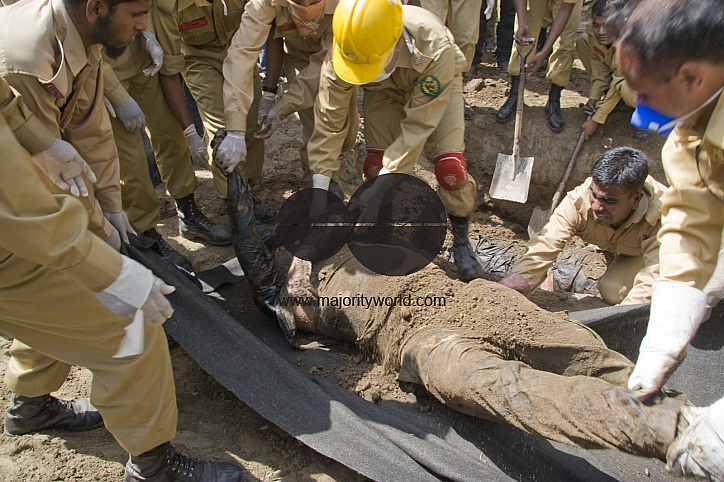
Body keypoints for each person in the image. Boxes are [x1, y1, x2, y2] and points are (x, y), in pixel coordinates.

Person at [0, 47, 244, 482]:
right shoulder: (27, 53)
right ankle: (153, 467)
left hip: (17, 240)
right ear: (96, 7)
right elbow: (33, 214)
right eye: (135, 13)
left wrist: (109, 207)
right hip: (14, 239)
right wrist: (113, 269)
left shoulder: (80, 44)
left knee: (59, 298)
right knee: (131, 321)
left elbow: (86, 134)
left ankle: (31, 405)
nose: (141, 27)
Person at [280, 252, 684, 462]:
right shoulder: (299, 291)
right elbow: (300, 316)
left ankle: (689, 418)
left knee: (582, 350)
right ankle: (666, 431)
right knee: (503, 387)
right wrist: (294, 280)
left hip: (473, 298)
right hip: (420, 339)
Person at [614, 0, 724, 478]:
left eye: (643, 92)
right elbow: (692, 217)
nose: (638, 107)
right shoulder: (692, 131)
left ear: (691, 78)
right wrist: (667, 330)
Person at [302, 0, 485, 282]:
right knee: (376, 167)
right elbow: (329, 122)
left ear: (397, 44)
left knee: (451, 170)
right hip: (383, 93)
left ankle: (461, 243)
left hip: (433, 86)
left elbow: (419, 124)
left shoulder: (434, 46)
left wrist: (391, 175)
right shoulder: (345, 50)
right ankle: (384, 232)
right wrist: (319, 186)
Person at [102, 15, 232, 256]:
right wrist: (110, 90)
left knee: (171, 137)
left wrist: (147, 32)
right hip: (105, 64)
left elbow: (150, 7)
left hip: (142, 55)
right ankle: (146, 233)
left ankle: (188, 212)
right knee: (131, 160)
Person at [499, 147, 665, 305]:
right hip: (618, 246)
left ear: (635, 199)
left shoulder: (663, 215)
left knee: (613, 291)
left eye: (609, 201)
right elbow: (546, 243)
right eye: (594, 194)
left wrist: (620, 319)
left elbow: (654, 276)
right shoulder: (577, 201)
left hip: (646, 254)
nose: (596, 207)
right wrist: (520, 279)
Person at [220, 0, 358, 187]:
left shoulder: (348, 4)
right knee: (316, 126)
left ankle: (330, 167)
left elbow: (326, 63)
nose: (306, 4)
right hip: (298, 56)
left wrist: (282, 108)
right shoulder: (266, 3)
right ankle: (315, 186)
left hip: (338, 53)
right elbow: (242, 52)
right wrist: (235, 129)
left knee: (346, 132)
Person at [152, 0, 271, 216]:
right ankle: (234, 203)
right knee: (222, 128)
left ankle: (248, 189)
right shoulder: (169, 5)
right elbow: (169, 68)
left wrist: (270, 92)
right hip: (198, 58)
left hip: (241, 48)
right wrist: (190, 132)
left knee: (250, 119)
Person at [495, 0, 583, 133]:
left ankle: (554, 98)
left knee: (565, 42)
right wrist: (523, 21)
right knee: (524, 36)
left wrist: (544, 52)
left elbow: (566, 8)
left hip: (566, 6)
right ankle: (516, 93)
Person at [575, 0, 649, 142]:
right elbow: (599, 70)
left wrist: (595, 120)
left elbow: (618, 80)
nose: (601, 32)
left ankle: (647, 116)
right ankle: (615, 100)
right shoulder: (593, 36)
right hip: (620, 79)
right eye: (596, 25)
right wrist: (594, 97)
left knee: (624, 87)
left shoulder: (630, 41)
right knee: (582, 41)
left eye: (608, 25)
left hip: (654, 90)